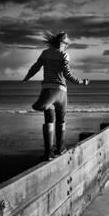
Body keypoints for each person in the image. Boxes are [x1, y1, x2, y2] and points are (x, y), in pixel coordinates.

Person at [23, 32, 90, 160]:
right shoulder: (64, 55)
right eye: (67, 43)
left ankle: (48, 153)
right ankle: (60, 148)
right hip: (61, 92)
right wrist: (82, 82)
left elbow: (35, 67)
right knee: (61, 120)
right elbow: (68, 75)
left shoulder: (45, 53)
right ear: (62, 43)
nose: (67, 45)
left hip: (47, 91)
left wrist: (27, 77)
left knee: (49, 120)